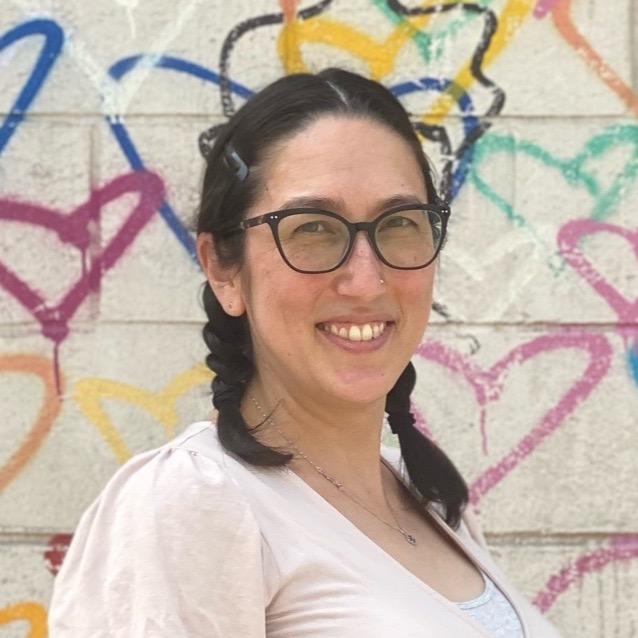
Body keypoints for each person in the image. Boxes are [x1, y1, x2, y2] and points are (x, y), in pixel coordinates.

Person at [49, 69, 562, 637]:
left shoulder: (427, 502)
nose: (367, 282)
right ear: (223, 268)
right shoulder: (192, 501)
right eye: (313, 228)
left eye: (399, 224)